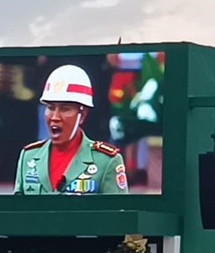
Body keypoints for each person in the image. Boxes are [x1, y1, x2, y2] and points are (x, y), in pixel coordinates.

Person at [13, 65, 128, 195]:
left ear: (82, 115)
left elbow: (119, 214)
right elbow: (16, 212)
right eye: (50, 107)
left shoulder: (106, 161)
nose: (55, 117)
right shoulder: (28, 157)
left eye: (65, 109)